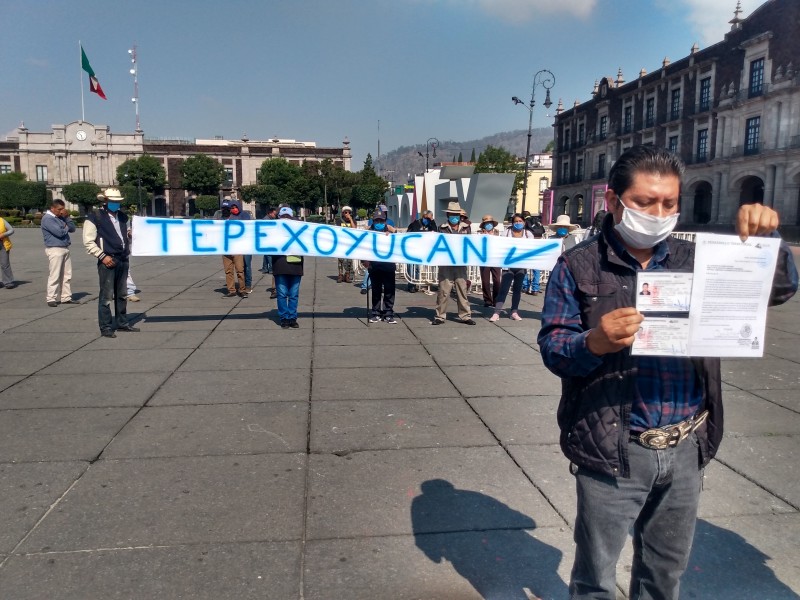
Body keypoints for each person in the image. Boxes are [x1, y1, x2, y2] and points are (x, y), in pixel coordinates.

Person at [537, 145, 798, 599]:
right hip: (613, 447)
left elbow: (775, 292)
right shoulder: (577, 266)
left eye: (669, 203)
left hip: (685, 445)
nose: (658, 213)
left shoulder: (696, 259)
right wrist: (592, 342)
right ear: (614, 201)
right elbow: (555, 349)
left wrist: (764, 244)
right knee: (595, 577)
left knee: (663, 575)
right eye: (644, 202)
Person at [83, 188, 140, 338]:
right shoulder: (95, 217)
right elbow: (88, 242)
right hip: (107, 259)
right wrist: (102, 256)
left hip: (122, 259)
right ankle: (106, 326)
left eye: (118, 202)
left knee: (122, 294)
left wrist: (130, 234)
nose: (116, 204)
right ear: (106, 201)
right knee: (106, 296)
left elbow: (125, 233)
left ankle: (122, 323)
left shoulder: (122, 216)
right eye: (113, 201)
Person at [433, 201, 475, 326]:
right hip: (446, 263)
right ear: (448, 215)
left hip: (460, 263)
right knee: (443, 290)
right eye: (452, 214)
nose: (454, 217)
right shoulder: (442, 227)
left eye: (456, 214)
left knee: (462, 289)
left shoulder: (466, 227)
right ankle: (440, 316)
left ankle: (465, 315)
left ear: (460, 215)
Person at [489, 213, 534, 322]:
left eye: (520, 221)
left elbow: (532, 249)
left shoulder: (528, 234)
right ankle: (497, 312)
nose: (518, 223)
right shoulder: (506, 233)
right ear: (512, 223)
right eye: (516, 221)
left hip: (521, 266)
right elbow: (501, 247)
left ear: (524, 222)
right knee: (504, 289)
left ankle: (514, 312)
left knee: (517, 290)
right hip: (508, 266)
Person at [272, 206, 303, 328]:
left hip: (296, 266)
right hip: (280, 266)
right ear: (279, 217)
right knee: (282, 294)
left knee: (293, 294)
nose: (285, 219)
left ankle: (292, 317)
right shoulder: (273, 232)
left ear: (292, 218)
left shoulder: (300, 230)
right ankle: (284, 317)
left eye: (288, 217)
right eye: (283, 217)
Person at [365, 210, 397, 323]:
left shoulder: (391, 232)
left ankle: (388, 312)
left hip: (388, 266)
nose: (379, 222)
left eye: (381, 220)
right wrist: (364, 261)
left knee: (389, 291)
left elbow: (402, 242)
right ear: (373, 221)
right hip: (374, 266)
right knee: (376, 290)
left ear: (385, 221)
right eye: (377, 220)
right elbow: (361, 248)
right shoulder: (368, 233)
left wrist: (394, 232)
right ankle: (376, 312)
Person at [41, 199, 75, 305]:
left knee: (67, 275)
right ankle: (51, 298)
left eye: (63, 209)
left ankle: (66, 297)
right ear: (52, 208)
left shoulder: (60, 217)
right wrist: (65, 227)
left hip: (65, 247)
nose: (62, 211)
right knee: (54, 274)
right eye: (59, 209)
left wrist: (67, 218)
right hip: (54, 248)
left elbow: (72, 228)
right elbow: (59, 233)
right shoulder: (47, 219)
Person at [219, 200, 247, 298]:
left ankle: (242, 290)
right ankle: (231, 290)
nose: (225, 210)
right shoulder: (219, 220)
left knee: (240, 270)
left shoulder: (236, 218)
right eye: (223, 208)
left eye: (227, 208)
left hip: (237, 248)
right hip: (225, 249)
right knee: (228, 271)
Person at [406, 209, 437, 293]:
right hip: (412, 249)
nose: (427, 220)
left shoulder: (430, 224)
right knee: (412, 267)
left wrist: (432, 221)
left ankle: (415, 283)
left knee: (417, 269)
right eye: (425, 217)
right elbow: (416, 232)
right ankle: (411, 285)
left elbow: (435, 231)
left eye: (429, 218)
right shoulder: (415, 223)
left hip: (422, 249)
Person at [230, 198, 253, 294]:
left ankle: (248, 285)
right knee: (239, 267)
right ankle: (241, 285)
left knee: (246, 265)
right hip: (235, 246)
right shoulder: (230, 216)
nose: (234, 209)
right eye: (232, 208)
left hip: (246, 245)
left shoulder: (245, 215)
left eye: (235, 207)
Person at [477, 215, 501, 307]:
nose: (488, 225)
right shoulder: (479, 234)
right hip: (484, 259)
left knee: (497, 280)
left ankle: (496, 299)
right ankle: (487, 299)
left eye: (490, 223)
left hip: (496, 259)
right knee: (485, 281)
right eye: (486, 223)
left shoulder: (498, 233)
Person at [523, 214, 546, 295]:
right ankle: (535, 288)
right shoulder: (538, 224)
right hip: (538, 247)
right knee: (536, 269)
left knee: (524, 268)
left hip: (527, 247)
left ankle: (525, 286)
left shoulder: (526, 224)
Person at [337, 206, 356, 283]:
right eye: (345, 212)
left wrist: (350, 219)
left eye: (349, 212)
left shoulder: (353, 221)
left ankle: (347, 275)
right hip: (341, 244)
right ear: (343, 213)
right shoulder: (339, 221)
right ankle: (340, 275)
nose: (347, 214)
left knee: (349, 260)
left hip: (349, 244)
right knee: (340, 260)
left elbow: (354, 229)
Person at [260, 206, 277, 274]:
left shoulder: (268, 219)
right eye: (274, 214)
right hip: (267, 240)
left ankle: (265, 268)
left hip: (267, 239)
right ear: (270, 213)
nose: (275, 216)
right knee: (269, 254)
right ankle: (271, 269)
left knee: (266, 254)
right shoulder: (266, 220)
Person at [0, 215, 16, 289]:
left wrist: (3, 234)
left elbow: (11, 230)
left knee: (5, 264)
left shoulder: (2, 221)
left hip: (2, 244)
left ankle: (8, 282)